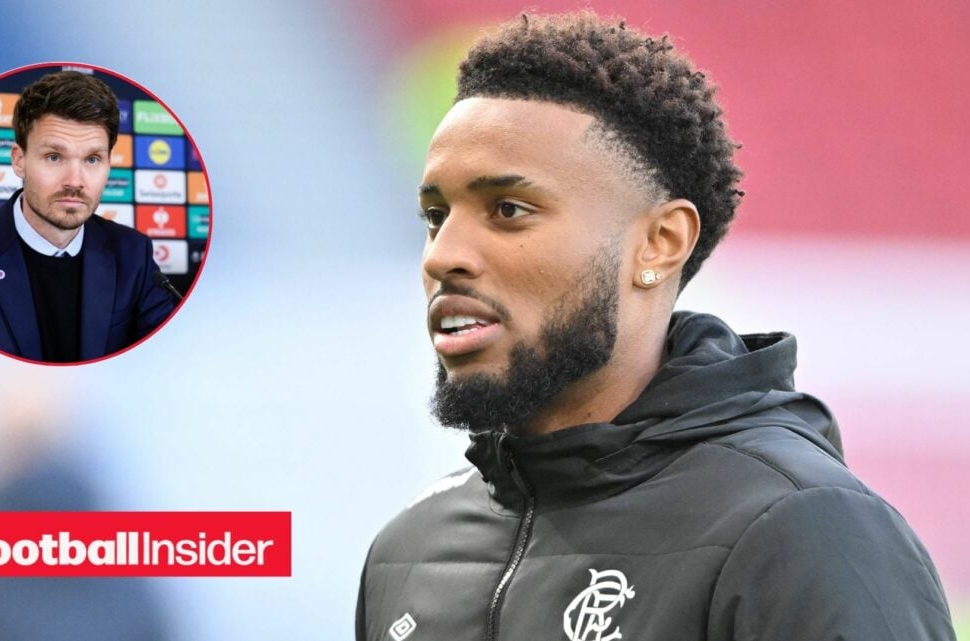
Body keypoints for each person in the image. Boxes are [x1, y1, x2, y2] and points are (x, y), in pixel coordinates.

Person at [356, 11, 955, 641]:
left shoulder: (801, 529)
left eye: (508, 210)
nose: (441, 256)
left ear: (660, 244)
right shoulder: (407, 551)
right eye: (435, 215)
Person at [0, 70, 175, 363]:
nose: (75, 181)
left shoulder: (133, 253)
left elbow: (166, 359)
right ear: (19, 160)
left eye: (92, 159)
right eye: (54, 157)